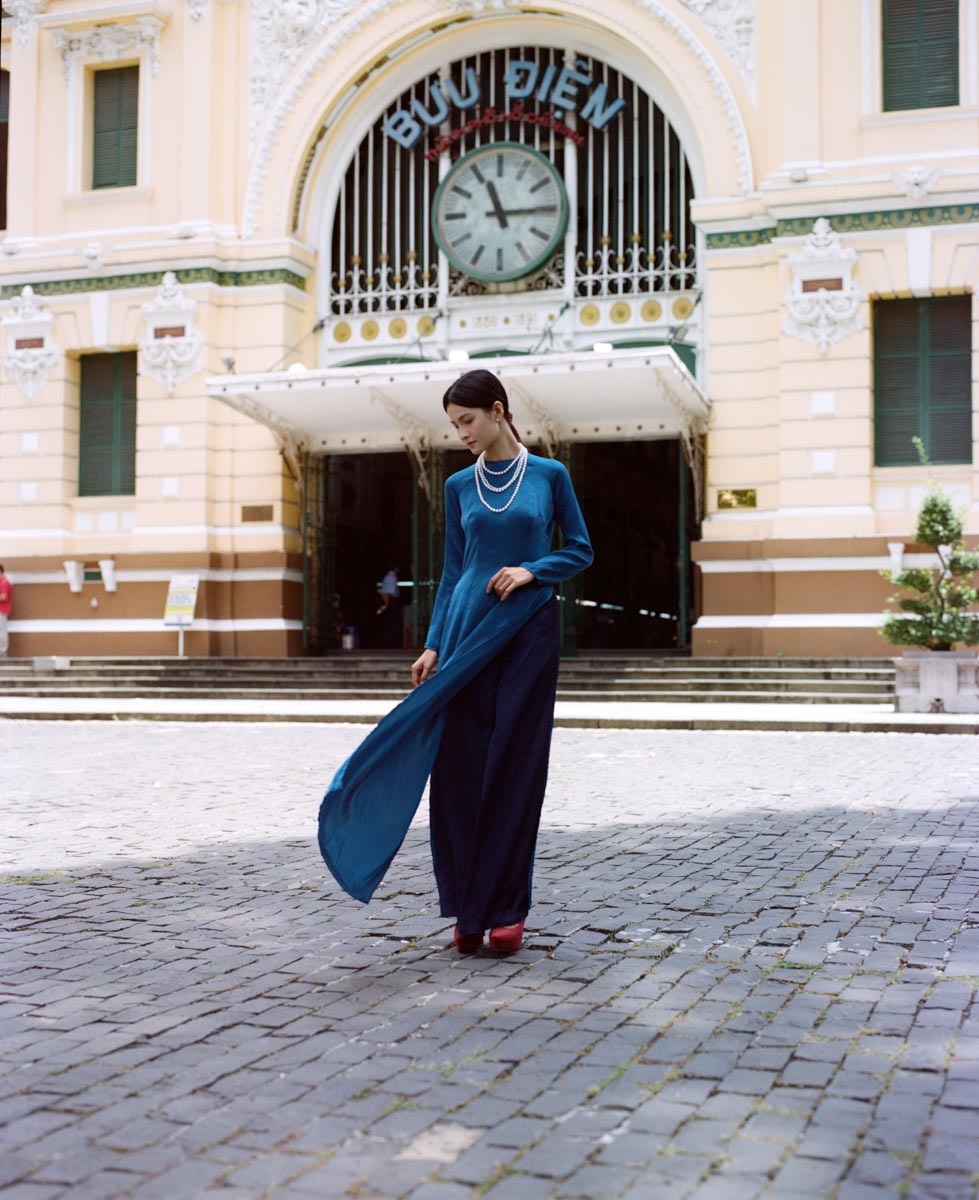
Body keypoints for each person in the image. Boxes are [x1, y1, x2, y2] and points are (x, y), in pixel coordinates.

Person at [318, 370, 593, 954]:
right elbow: (452, 572)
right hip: (466, 632)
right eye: (453, 424)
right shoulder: (458, 486)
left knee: (514, 765)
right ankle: (469, 909)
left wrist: (531, 571)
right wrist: (433, 643)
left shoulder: (550, 475)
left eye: (467, 420)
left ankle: (507, 909)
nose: (461, 432)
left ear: (498, 411)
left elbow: (580, 549)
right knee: (460, 770)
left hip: (526, 631)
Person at [0, 565, 11, 658]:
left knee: (2, 632)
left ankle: (3, 652)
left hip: (2, 611)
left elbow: (3, 597)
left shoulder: (4, 582)